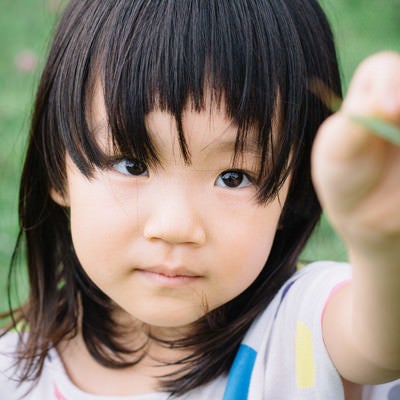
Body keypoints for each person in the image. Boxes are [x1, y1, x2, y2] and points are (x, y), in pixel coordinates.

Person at [1, 0, 399, 399]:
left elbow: (380, 338)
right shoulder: (11, 378)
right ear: (58, 167)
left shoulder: (302, 332)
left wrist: (380, 243)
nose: (176, 226)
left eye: (233, 177)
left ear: (291, 189)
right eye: (131, 165)